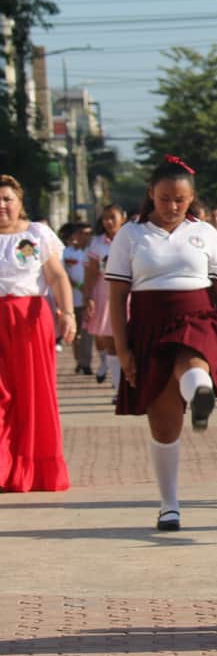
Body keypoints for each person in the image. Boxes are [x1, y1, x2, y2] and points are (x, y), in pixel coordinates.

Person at [105, 157, 217, 530]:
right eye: (165, 199)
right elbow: (117, 297)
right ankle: (169, 504)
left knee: (192, 357)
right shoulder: (130, 235)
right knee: (164, 426)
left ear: (191, 197)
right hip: (148, 324)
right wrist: (123, 349)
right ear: (152, 195)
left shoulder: (207, 233)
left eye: (180, 199)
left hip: (198, 315)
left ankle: (200, 394)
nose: (172, 206)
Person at [0, 175, 73, 493]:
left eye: (7, 199)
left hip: (30, 318)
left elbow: (56, 276)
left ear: (19, 201)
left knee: (33, 394)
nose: (1, 206)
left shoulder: (36, 233)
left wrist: (67, 312)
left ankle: (32, 470)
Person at [83, 204, 127, 392]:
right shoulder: (97, 243)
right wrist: (88, 297)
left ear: (122, 218)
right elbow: (91, 273)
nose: (109, 222)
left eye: (113, 217)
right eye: (105, 218)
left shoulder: (131, 238)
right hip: (104, 295)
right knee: (110, 342)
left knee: (130, 342)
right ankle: (118, 389)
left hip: (129, 294)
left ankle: (132, 384)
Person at [61, 222, 94, 376]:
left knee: (87, 332)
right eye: (82, 233)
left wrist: (87, 289)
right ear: (75, 235)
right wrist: (78, 285)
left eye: (88, 234)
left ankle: (85, 363)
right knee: (75, 333)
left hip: (89, 299)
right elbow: (61, 275)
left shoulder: (92, 252)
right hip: (72, 299)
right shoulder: (66, 253)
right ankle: (78, 361)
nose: (85, 237)